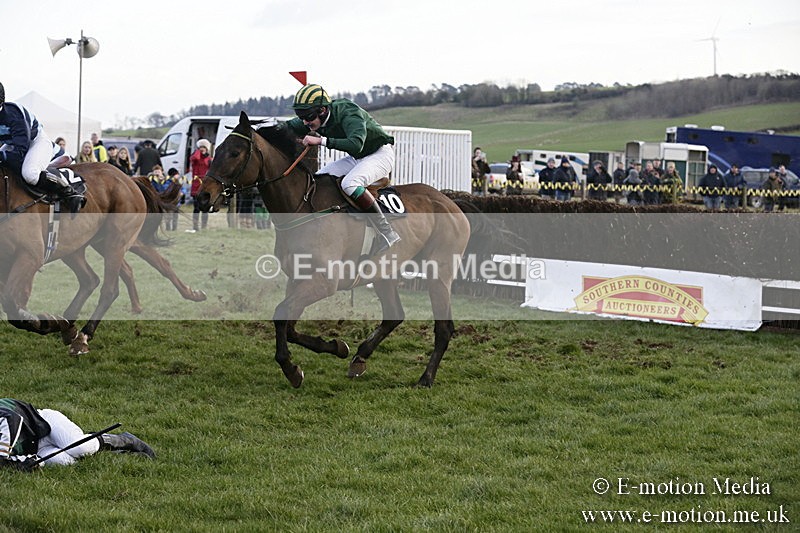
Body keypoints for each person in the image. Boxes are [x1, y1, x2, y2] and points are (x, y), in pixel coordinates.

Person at [286, 83, 400, 253]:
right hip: (357, 158)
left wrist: (320, 141)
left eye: (308, 116)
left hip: (379, 154)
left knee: (350, 184)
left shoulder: (348, 112)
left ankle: (387, 232)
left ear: (322, 110)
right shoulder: (313, 117)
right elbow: (286, 127)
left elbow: (356, 144)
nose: (305, 122)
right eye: (300, 116)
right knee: (318, 179)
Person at [0, 397, 154, 471]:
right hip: (36, 449)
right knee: (65, 463)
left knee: (80, 448)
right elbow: (11, 462)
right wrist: (24, 465)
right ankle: (115, 454)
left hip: (46, 423)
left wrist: (2, 455)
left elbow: (12, 419)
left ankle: (125, 440)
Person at [0, 82, 82, 210]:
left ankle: (69, 192)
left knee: (30, 174)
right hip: (12, 143)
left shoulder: (14, 116)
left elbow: (20, 151)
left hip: (36, 142)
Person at [189, 139, 213, 232]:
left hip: (205, 186)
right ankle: (195, 226)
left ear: (207, 149)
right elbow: (194, 158)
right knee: (196, 208)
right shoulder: (195, 157)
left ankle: (204, 226)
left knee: (205, 208)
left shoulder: (209, 159)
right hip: (196, 186)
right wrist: (198, 151)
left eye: (204, 147)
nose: (202, 149)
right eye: (200, 147)